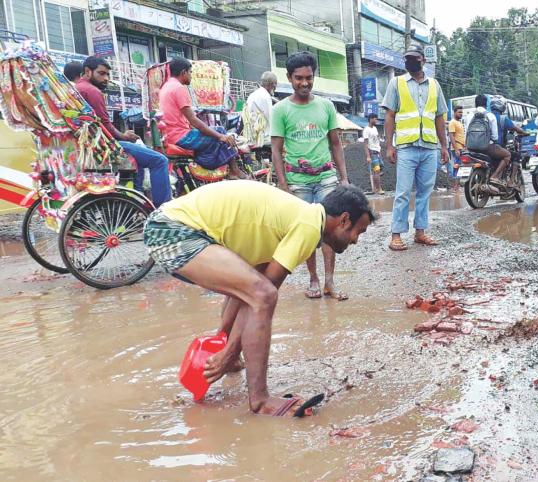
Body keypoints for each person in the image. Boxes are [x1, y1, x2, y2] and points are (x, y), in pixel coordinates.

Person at [143, 181, 374, 415]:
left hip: (171, 227)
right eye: (359, 231)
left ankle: (233, 364)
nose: (356, 240)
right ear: (344, 220)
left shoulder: (292, 219)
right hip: (173, 231)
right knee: (263, 294)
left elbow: (247, 294)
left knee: (255, 288)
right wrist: (229, 352)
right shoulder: (309, 225)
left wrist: (224, 345)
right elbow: (261, 296)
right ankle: (260, 400)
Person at [270, 51, 350, 301]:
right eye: (298, 78)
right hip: (298, 182)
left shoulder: (326, 106)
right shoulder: (280, 110)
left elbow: (335, 144)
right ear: (289, 78)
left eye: (309, 77)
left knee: (329, 231)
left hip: (326, 177)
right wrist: (283, 185)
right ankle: (313, 279)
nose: (304, 83)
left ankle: (329, 282)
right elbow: (275, 149)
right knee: (306, 233)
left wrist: (344, 178)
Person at [76, 56, 172, 207]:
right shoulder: (92, 91)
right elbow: (105, 124)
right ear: (88, 71)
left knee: (140, 160)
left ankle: (136, 202)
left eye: (108, 74)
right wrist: (124, 136)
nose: (106, 78)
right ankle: (164, 208)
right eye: (101, 73)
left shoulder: (77, 88)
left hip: (91, 143)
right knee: (160, 160)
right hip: (103, 145)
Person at [381, 44, 449, 251]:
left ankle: (420, 232)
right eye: (408, 59)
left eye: (415, 59)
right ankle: (396, 235)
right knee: (402, 192)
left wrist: (444, 146)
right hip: (407, 147)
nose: (411, 62)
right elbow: (390, 116)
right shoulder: (397, 82)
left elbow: (439, 117)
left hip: (429, 147)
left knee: (424, 192)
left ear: (423, 61)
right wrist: (389, 145)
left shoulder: (435, 85)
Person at [159, 57, 245, 178]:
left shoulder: (166, 87)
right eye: (190, 72)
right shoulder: (179, 88)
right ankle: (234, 170)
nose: (191, 76)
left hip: (171, 135)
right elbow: (193, 120)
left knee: (216, 133)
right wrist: (221, 136)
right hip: (180, 136)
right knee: (220, 131)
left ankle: (226, 169)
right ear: (183, 72)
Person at [463, 94, 506, 192]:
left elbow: (466, 133)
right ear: (486, 104)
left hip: (470, 148)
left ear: (475, 103)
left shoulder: (469, 116)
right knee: (507, 155)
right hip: (486, 148)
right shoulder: (490, 116)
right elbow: (495, 137)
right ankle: (495, 177)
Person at [489, 97, 528, 188]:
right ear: (502, 107)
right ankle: (511, 181)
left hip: (486, 147)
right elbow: (516, 129)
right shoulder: (503, 119)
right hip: (497, 148)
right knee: (516, 156)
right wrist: (525, 133)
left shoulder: (488, 116)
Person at [243, 71, 278, 148]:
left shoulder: (253, 94)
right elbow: (269, 119)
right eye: (275, 86)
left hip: (251, 135)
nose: (274, 89)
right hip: (261, 138)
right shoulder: (265, 96)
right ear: (271, 84)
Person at [361, 113, 384, 195]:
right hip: (372, 153)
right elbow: (366, 144)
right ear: (370, 119)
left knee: (379, 170)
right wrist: (368, 156)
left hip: (377, 152)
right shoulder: (366, 130)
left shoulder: (375, 128)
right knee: (376, 170)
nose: (376, 120)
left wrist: (380, 152)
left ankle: (375, 187)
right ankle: (378, 189)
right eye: (375, 119)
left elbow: (377, 141)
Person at [447, 106, 466, 192]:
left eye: (461, 112)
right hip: (456, 148)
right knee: (456, 166)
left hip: (461, 147)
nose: (461, 114)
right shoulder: (452, 122)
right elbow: (451, 136)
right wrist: (456, 149)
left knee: (460, 166)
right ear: (454, 112)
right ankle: (455, 186)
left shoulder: (459, 122)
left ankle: (457, 186)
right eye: (459, 112)